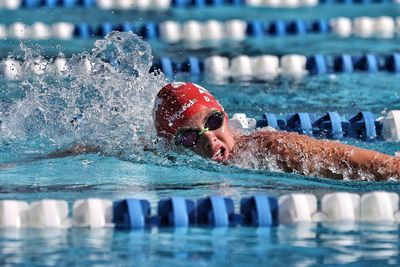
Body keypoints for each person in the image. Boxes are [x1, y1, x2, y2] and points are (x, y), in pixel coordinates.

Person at [154, 82, 400, 181]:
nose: (209, 139)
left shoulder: (270, 148)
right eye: (188, 137)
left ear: (225, 115)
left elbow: (349, 161)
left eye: (214, 121)